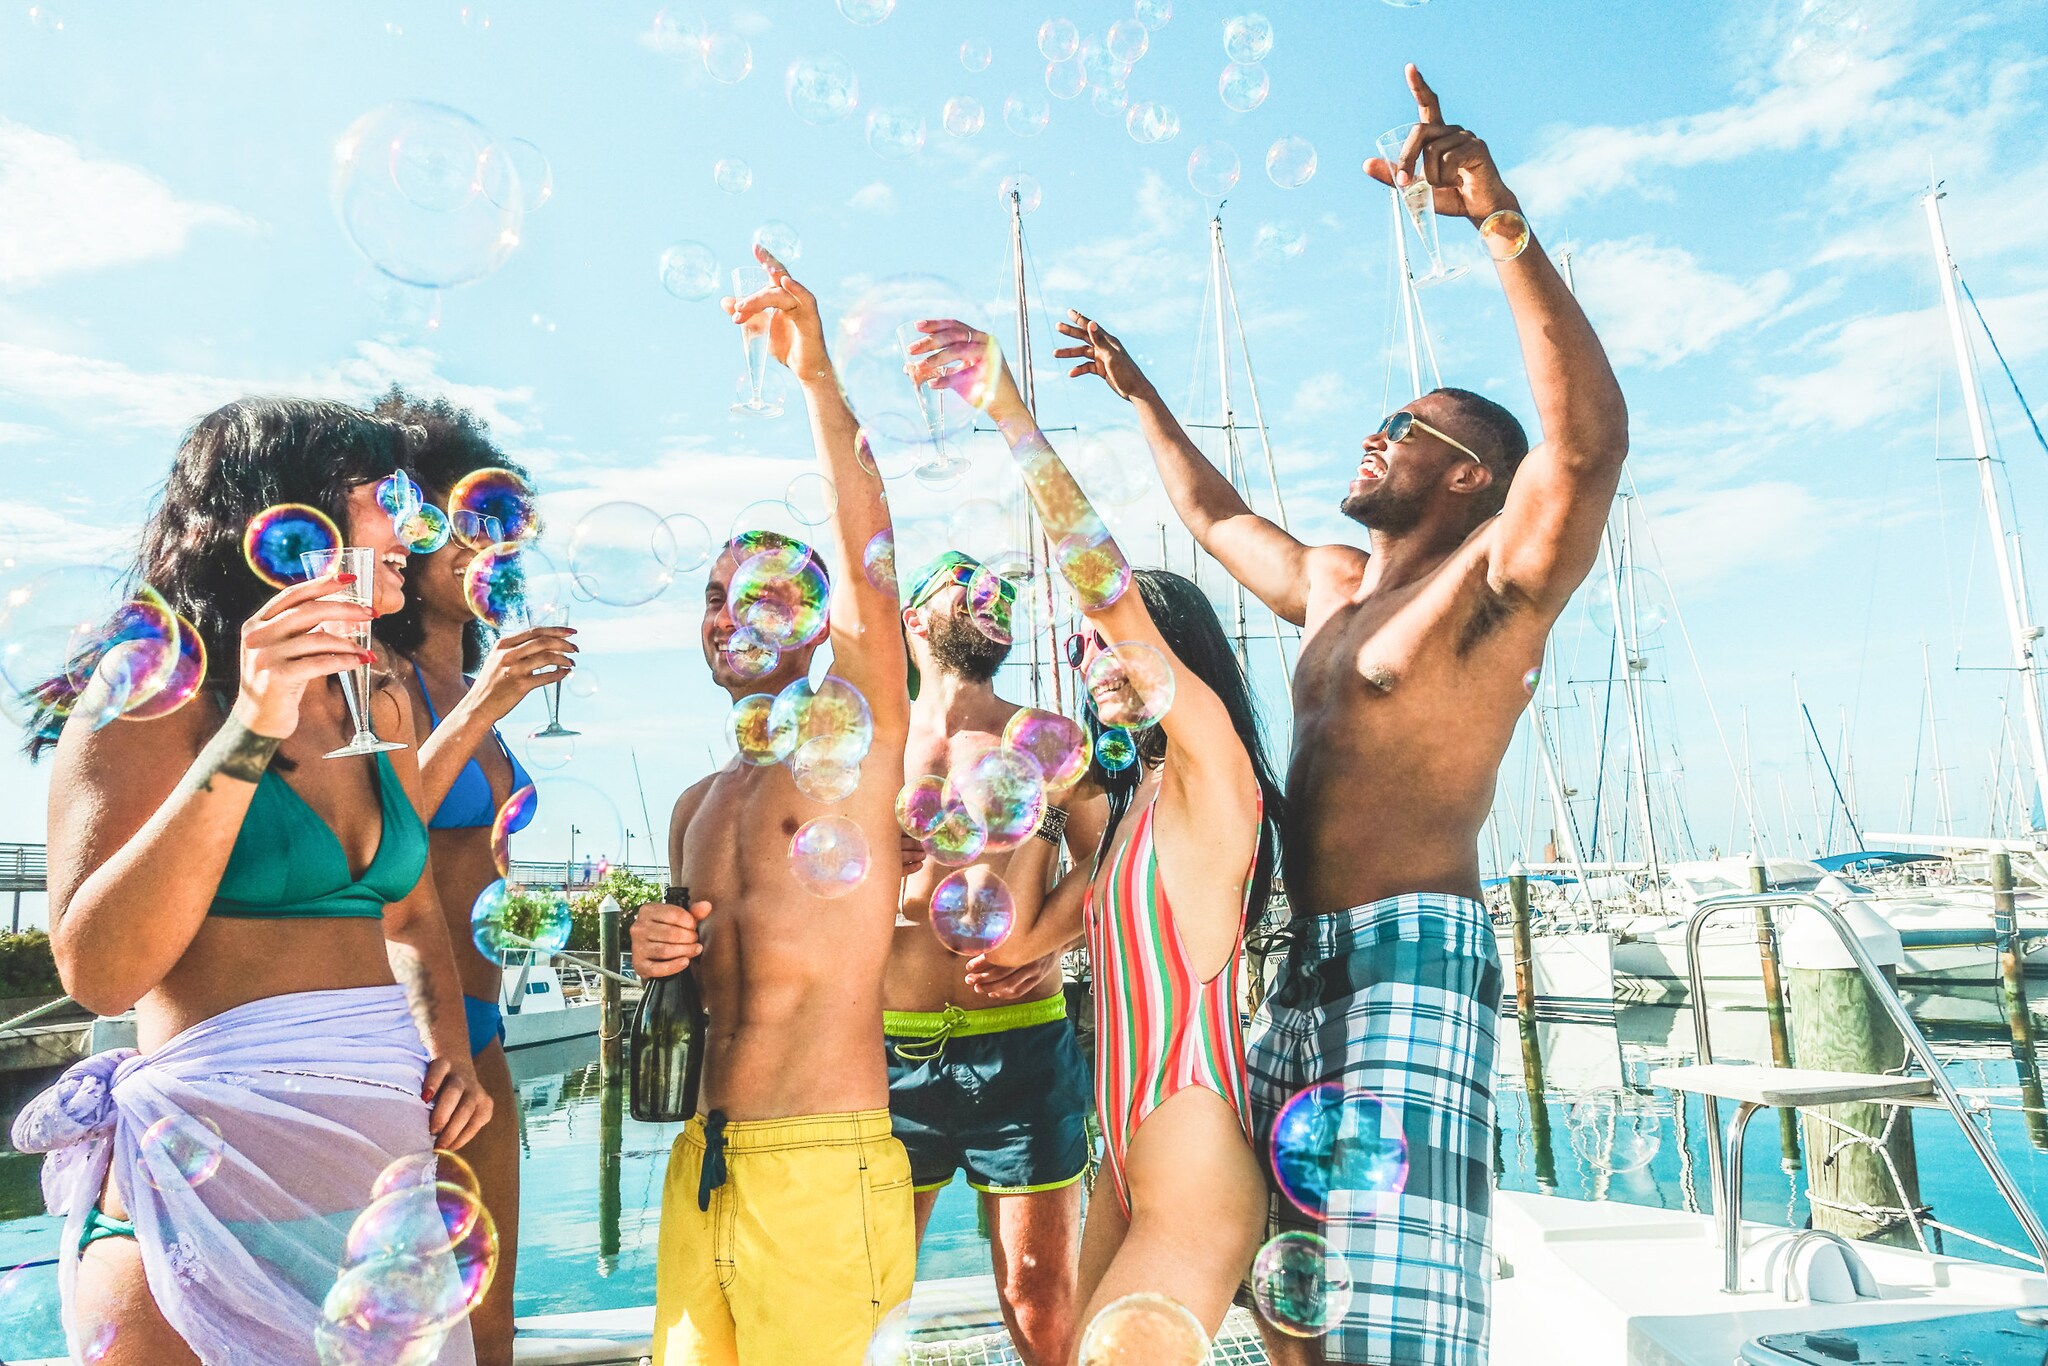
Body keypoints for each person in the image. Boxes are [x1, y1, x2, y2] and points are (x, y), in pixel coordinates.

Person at [1052, 67, 1629, 1366]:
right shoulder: (1328, 586)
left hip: (1407, 961)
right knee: (1290, 1300)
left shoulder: (1491, 596)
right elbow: (1208, 519)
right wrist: (1135, 385)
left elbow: (1586, 449)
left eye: (1401, 428)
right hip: (1296, 963)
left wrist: (1495, 218)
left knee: (1395, 1314)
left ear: (1471, 474)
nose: (1371, 438)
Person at [10, 398, 491, 1366]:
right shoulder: (150, 691)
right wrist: (250, 728)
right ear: (289, 517)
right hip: (202, 1214)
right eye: (386, 497)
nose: (416, 526)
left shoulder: (376, 688)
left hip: (383, 1228)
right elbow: (100, 971)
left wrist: (449, 1045)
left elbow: (406, 903)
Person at [913, 322, 1286, 1340]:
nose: (1092, 656)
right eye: (1083, 650)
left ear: (1178, 653)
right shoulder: (1134, 819)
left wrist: (1004, 408)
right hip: (1119, 1153)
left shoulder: (1215, 776)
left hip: (1191, 1153)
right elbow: (1053, 933)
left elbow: (1103, 582)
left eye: (1112, 641)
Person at [627, 248, 914, 1366]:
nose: (718, 614)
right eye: (707, 596)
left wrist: (815, 378)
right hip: (706, 1156)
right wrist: (658, 951)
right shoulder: (699, 803)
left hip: (821, 1158)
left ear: (811, 622)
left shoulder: (850, 747)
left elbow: (869, 559)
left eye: (749, 593)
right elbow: (700, 984)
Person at [373, 390, 579, 1366]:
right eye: (462, 531)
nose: (484, 552)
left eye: (496, 533)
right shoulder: (374, 677)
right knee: (402, 1324)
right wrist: (492, 692)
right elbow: (374, 833)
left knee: (489, 1320)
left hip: (485, 1030)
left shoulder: (475, 691)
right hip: (406, 1037)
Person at [886, 550, 1108, 1366]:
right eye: (964, 583)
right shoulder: (877, 739)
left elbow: (1109, 858)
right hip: (885, 1053)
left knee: (1039, 1295)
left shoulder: (1043, 738)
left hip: (1019, 1043)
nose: (993, 594)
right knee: (874, 1286)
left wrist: (1044, 939)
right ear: (915, 619)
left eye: (1002, 591)